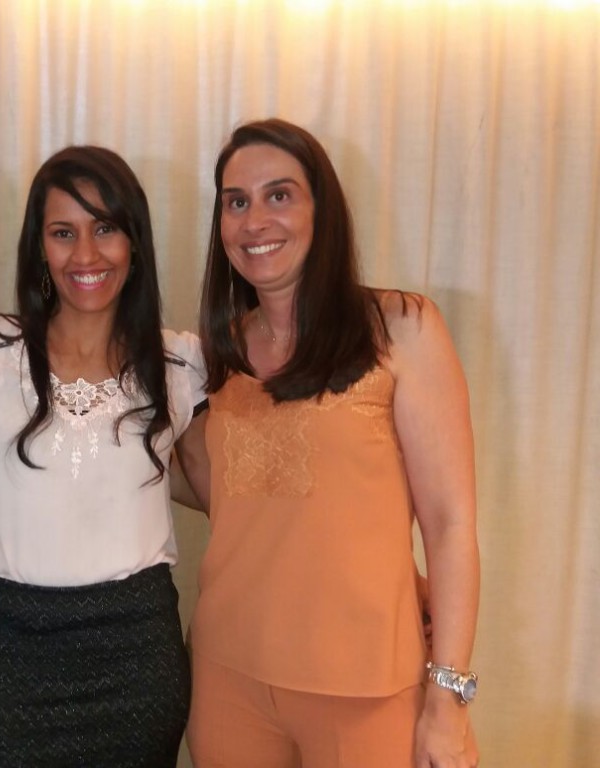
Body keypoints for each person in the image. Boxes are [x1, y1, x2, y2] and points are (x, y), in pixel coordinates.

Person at [187, 119, 480, 768]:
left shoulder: (402, 327)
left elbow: (451, 525)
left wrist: (448, 699)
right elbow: (227, 496)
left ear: (323, 208)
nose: (255, 219)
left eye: (279, 195)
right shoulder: (220, 349)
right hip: (228, 673)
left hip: (366, 687)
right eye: (236, 202)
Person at [0, 145, 209, 768]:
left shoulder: (181, 365)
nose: (86, 255)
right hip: (9, 653)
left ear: (135, 242)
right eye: (64, 233)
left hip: (137, 653)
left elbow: (236, 500)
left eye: (106, 229)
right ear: (40, 246)